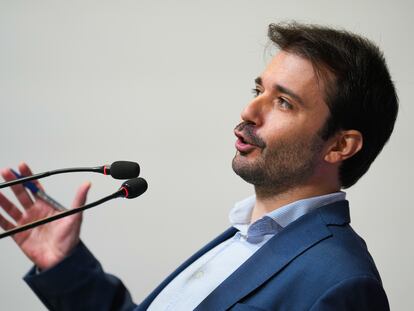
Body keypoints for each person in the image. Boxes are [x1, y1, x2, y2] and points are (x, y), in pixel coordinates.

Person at [0, 22, 398, 310]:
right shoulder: (242, 237)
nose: (249, 110)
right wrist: (66, 266)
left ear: (340, 145)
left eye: (283, 102)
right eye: (258, 90)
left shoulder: (341, 283)